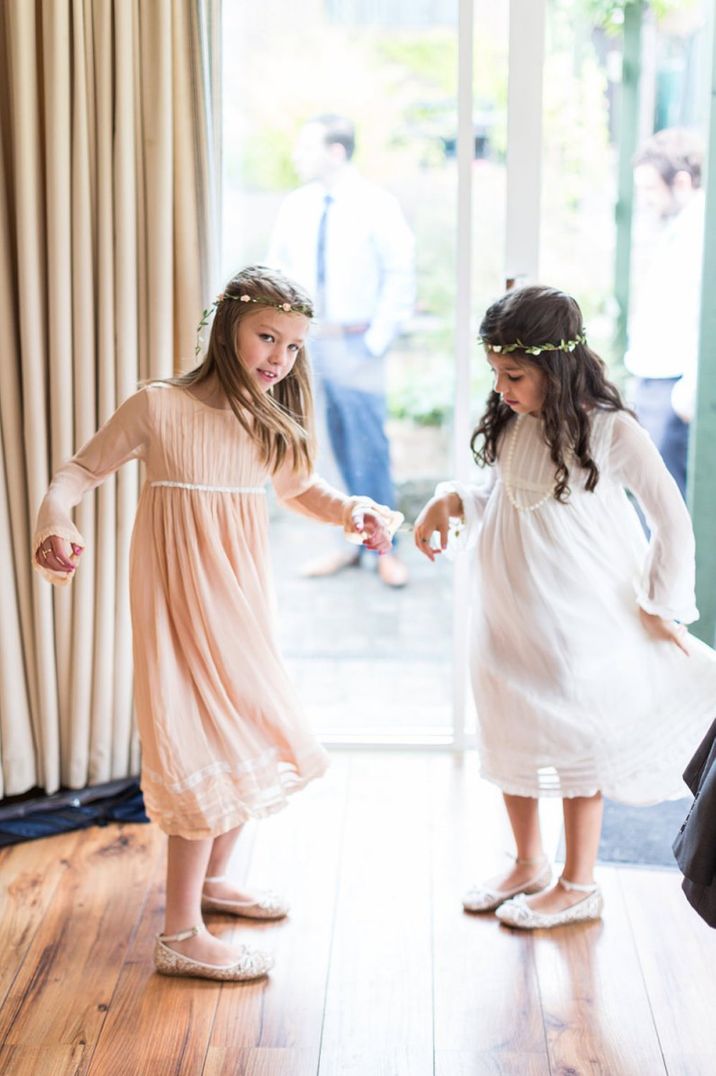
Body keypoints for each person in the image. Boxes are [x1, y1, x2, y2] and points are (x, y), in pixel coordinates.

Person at [33, 265, 398, 980]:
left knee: (246, 728)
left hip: (239, 602)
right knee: (195, 741)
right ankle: (179, 934)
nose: (278, 358)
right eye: (267, 337)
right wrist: (55, 514)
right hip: (175, 601)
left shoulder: (268, 419)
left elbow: (300, 489)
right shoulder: (158, 406)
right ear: (226, 325)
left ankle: (210, 881)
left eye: (293, 347)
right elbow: (78, 471)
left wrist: (351, 508)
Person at [414, 285, 716, 930]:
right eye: (495, 373)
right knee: (509, 725)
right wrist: (451, 499)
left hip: (577, 618)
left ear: (555, 366)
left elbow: (673, 520)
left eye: (514, 374)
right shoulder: (512, 420)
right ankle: (528, 862)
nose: (501, 388)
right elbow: (501, 495)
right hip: (505, 610)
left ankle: (579, 883)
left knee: (579, 742)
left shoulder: (611, 430)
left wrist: (662, 600)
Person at [267, 114, 415, 588]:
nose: (296, 156)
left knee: (369, 446)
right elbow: (277, 268)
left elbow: (399, 273)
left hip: (357, 342)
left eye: (307, 147)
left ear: (336, 151)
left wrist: (375, 342)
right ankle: (343, 544)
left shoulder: (376, 205)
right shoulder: (297, 206)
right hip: (308, 345)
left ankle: (385, 550)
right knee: (321, 447)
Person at [626, 127, 706, 497]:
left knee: (662, 500)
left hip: (672, 386)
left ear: (683, 182)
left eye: (650, 189)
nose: (645, 200)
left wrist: (688, 390)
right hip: (656, 380)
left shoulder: (699, 233)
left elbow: (699, 313)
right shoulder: (676, 227)